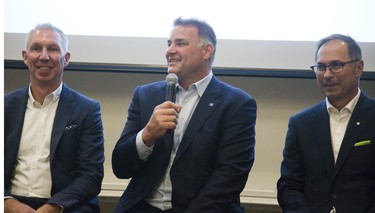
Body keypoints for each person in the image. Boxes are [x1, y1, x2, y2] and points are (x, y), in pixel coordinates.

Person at [112, 17, 257, 213]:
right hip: (141, 207)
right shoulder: (146, 95)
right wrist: (147, 135)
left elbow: (229, 177)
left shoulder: (237, 104)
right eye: (169, 44)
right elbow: (120, 168)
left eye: (180, 43)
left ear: (207, 51)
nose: (170, 50)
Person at [4, 23, 105, 213]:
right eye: (36, 48)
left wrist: (51, 208)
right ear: (25, 57)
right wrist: (8, 203)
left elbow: (91, 175)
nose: (44, 56)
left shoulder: (86, 110)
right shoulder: (5, 107)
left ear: (66, 59)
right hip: (10, 201)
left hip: (63, 205)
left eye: (53, 49)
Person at [277, 34, 375, 212]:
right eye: (321, 67)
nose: (327, 74)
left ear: (359, 67)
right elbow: (289, 186)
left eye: (336, 65)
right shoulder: (301, 124)